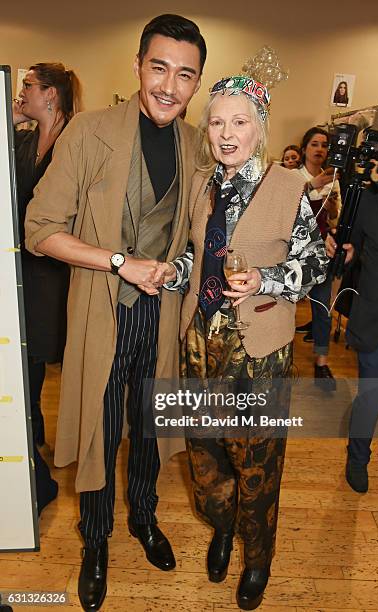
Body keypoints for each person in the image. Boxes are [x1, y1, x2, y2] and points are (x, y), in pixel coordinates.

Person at [25, 14, 206, 611]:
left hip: (164, 317)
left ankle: (144, 519)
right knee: (103, 427)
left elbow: (204, 238)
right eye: (159, 67)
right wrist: (118, 260)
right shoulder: (88, 134)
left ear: (196, 83)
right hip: (104, 312)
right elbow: (40, 230)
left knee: (152, 430)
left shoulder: (198, 145)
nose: (169, 86)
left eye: (185, 75)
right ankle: (96, 538)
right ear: (137, 67)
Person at [156, 75, 328, 610]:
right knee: (204, 457)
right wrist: (173, 271)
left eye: (239, 122)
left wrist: (266, 280)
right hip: (199, 341)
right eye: (217, 121)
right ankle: (222, 528)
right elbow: (200, 257)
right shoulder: (203, 185)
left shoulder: (288, 185)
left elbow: (318, 263)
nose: (226, 133)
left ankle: (258, 559)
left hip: (258, 350)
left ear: (260, 128)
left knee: (257, 462)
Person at [13, 62, 82, 515]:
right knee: (27, 362)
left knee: (50, 355)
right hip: (22, 268)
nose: (22, 93)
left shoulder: (75, 140)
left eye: (28, 87)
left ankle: (66, 446)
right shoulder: (21, 139)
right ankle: (33, 441)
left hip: (59, 272)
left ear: (51, 95)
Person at [326, 178, 378, 493]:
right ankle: (357, 458)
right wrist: (339, 248)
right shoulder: (372, 198)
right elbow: (348, 249)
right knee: (372, 393)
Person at [295, 127, 341, 390]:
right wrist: (312, 186)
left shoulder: (334, 179)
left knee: (322, 308)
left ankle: (321, 362)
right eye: (314, 144)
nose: (320, 149)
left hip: (322, 252)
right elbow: (284, 205)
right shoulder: (292, 176)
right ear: (304, 148)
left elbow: (334, 218)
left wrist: (333, 207)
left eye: (324, 145)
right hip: (294, 252)